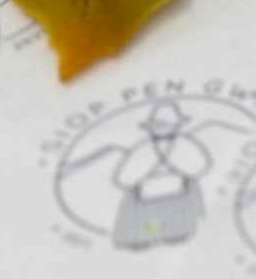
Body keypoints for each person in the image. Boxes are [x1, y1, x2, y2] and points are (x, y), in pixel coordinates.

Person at [86, 101, 212, 249]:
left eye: (168, 125)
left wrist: (176, 164)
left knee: (175, 217)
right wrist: (147, 169)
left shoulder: (185, 143)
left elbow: (200, 167)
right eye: (159, 125)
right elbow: (124, 178)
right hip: (147, 196)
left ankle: (177, 234)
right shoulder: (144, 148)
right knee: (151, 220)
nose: (163, 129)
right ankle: (146, 237)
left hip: (178, 193)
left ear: (177, 125)